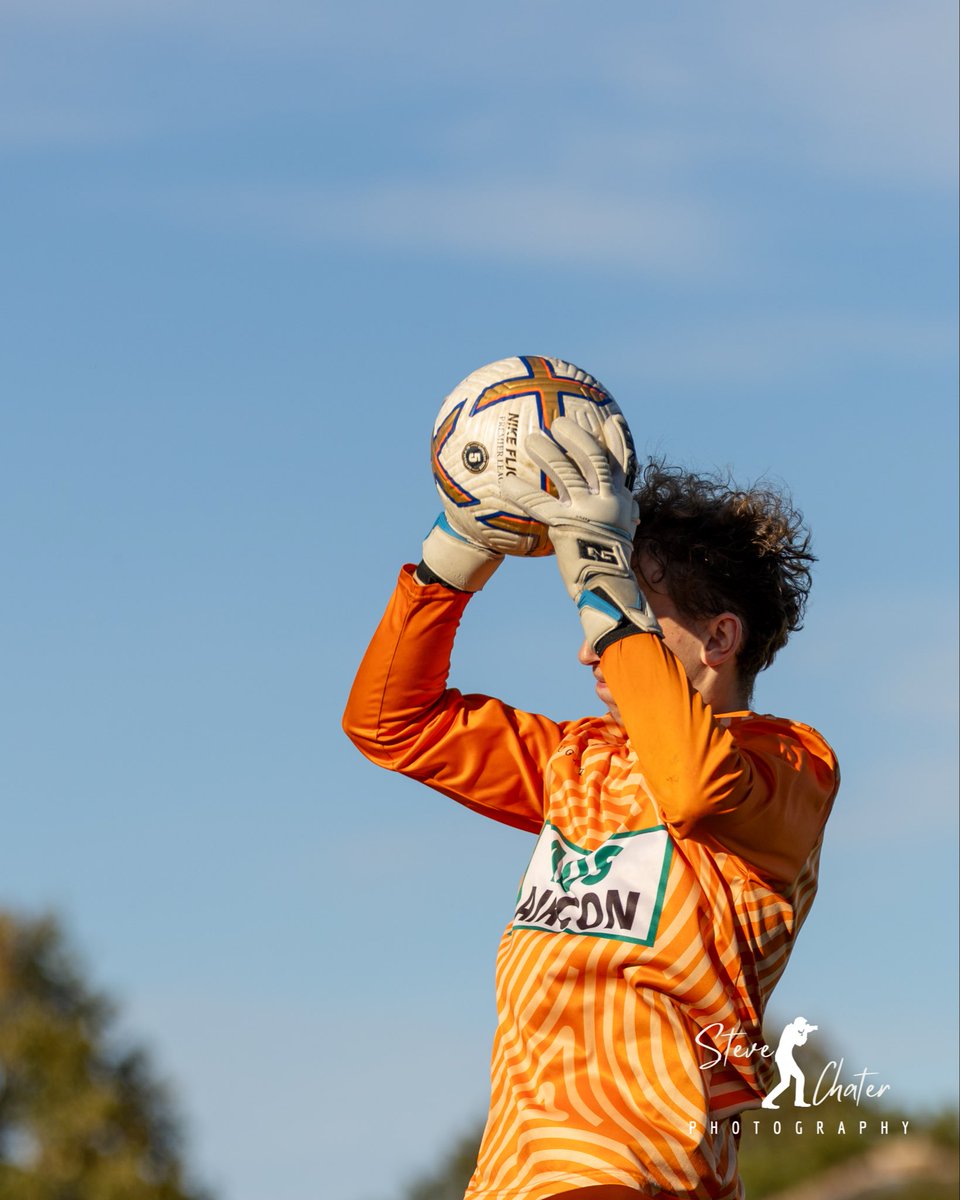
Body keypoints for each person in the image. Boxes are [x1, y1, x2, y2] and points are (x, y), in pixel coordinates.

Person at [343, 415, 839, 1200]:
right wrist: (452, 558)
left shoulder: (789, 764)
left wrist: (604, 583)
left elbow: (691, 785)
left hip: (641, 1176)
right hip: (513, 1180)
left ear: (719, 639)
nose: (594, 644)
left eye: (631, 609)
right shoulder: (577, 759)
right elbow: (388, 723)